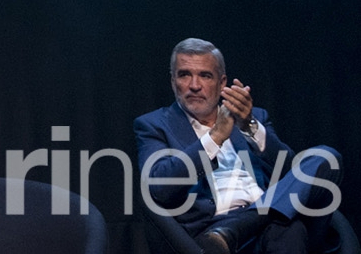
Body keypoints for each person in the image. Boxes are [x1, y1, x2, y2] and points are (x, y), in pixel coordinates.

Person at [133, 38, 343, 254]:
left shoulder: (255, 117)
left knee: (326, 159)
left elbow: (291, 174)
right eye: (185, 74)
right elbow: (159, 187)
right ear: (172, 81)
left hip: (237, 233)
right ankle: (242, 226)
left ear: (222, 82)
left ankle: (238, 228)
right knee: (290, 229)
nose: (194, 86)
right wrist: (213, 139)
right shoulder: (154, 125)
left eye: (205, 75)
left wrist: (250, 127)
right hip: (212, 230)